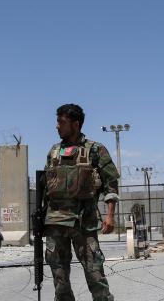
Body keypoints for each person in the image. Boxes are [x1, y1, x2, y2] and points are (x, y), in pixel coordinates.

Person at [42, 103, 119, 301]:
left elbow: (111, 184)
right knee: (60, 282)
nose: (57, 126)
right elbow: (45, 188)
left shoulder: (95, 150)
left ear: (76, 124)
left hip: (83, 223)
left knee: (95, 276)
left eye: (62, 122)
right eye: (57, 122)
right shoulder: (54, 152)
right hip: (55, 223)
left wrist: (110, 216)